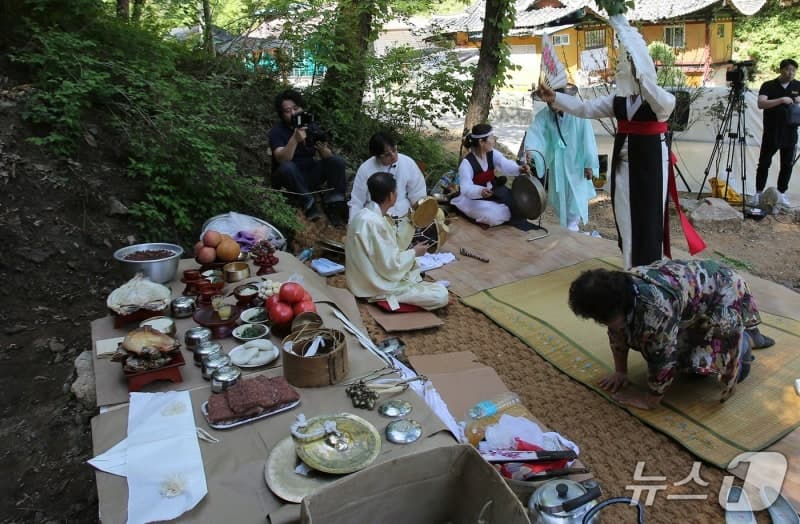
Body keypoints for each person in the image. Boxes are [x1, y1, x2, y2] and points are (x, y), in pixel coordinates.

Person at [536, 15, 676, 269]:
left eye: (625, 64)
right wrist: (554, 97)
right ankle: (629, 265)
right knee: (625, 216)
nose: (620, 69)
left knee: (649, 215)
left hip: (652, 164)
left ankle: (650, 268)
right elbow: (583, 108)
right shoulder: (619, 101)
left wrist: (644, 76)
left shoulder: (660, 101)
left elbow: (663, 101)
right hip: (625, 164)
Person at [568, 259, 776, 410]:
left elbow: (662, 358)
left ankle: (747, 341)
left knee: (707, 369)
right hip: (693, 301)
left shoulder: (655, 311)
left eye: (603, 318)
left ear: (620, 308)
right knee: (687, 368)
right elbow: (616, 332)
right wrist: (621, 372)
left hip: (723, 292)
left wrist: (650, 399)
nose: (601, 323)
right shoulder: (621, 293)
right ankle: (748, 333)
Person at [345, 172, 449, 311]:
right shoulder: (374, 222)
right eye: (396, 192)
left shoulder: (364, 215)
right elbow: (390, 266)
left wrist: (410, 221)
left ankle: (422, 287)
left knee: (414, 268)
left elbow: (391, 246)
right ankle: (402, 295)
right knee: (440, 296)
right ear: (391, 196)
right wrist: (414, 252)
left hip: (363, 278)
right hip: (374, 285)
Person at [524, 84, 599, 232]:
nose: (551, 104)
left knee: (575, 198)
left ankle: (572, 228)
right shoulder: (545, 116)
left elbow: (588, 139)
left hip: (576, 163)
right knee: (560, 199)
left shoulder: (579, 114)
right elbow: (536, 133)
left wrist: (589, 164)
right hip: (558, 165)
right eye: (548, 101)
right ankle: (567, 229)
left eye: (554, 100)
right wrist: (531, 150)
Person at [268, 89, 348, 225]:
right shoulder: (277, 131)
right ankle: (308, 203)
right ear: (281, 114)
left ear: (302, 107)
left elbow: (328, 157)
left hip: (309, 174)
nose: (293, 113)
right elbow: (282, 159)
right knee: (288, 167)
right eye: (287, 111)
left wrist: (323, 149)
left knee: (336, 162)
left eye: (295, 108)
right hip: (288, 178)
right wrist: (294, 139)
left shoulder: (310, 126)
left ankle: (334, 202)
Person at [450, 123, 533, 229]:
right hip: (472, 199)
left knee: (518, 205)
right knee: (493, 215)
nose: (494, 140)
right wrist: (480, 191)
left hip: (493, 190)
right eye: (491, 137)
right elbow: (466, 188)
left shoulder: (492, 153)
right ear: (481, 142)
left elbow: (505, 164)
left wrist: (519, 169)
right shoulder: (466, 164)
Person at [348, 131, 427, 223]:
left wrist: (420, 215)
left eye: (394, 150)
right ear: (377, 156)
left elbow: (417, 192)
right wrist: (352, 223)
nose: (393, 156)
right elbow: (357, 201)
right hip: (375, 219)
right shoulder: (365, 169)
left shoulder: (407, 163)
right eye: (387, 155)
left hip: (403, 216)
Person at [754, 58, 800, 208]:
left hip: (790, 132)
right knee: (764, 163)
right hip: (772, 132)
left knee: (787, 165)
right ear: (781, 70)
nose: (791, 73)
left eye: (793, 70)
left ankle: (781, 194)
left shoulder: (798, 85)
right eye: (788, 69)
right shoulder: (768, 85)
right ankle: (758, 193)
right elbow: (761, 103)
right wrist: (781, 100)